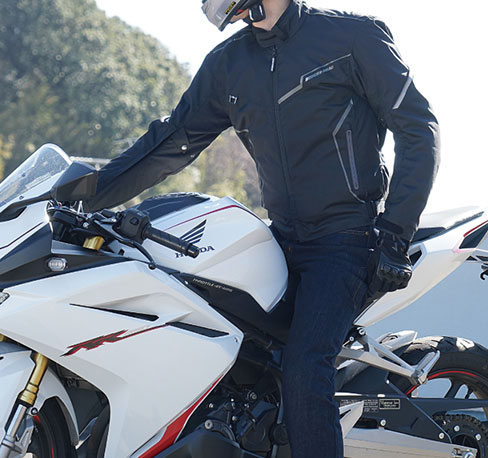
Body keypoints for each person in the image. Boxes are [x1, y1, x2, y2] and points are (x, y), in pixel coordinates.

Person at [86, 0, 440, 456]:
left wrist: (396, 232)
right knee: (211, 336)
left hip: (348, 239)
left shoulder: (353, 38)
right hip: (279, 238)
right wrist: (86, 195)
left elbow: (419, 130)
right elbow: (172, 141)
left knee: (304, 366)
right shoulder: (229, 63)